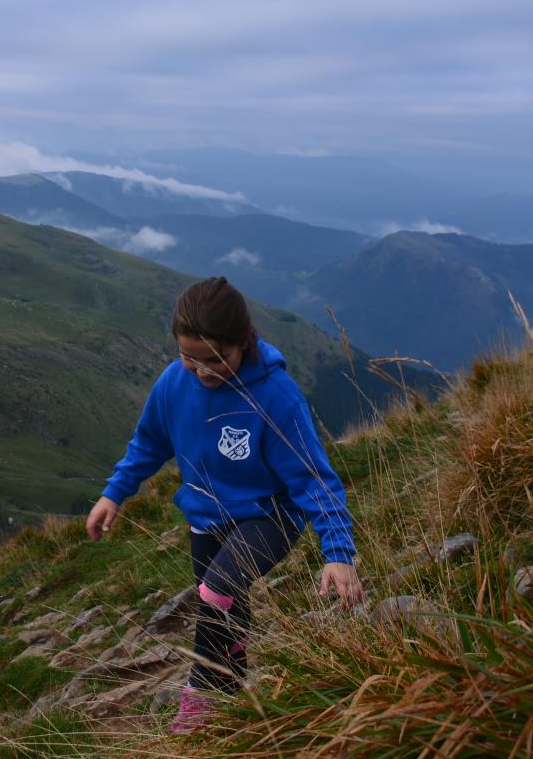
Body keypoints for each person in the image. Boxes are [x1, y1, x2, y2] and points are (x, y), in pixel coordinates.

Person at [86, 277, 363, 733]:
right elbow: (150, 443)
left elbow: (313, 478)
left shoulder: (275, 396)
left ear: (244, 341)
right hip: (205, 518)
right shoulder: (173, 383)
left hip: (270, 516)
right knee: (223, 605)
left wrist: (338, 552)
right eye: (189, 357)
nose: (203, 371)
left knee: (217, 591)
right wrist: (114, 492)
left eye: (217, 359)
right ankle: (231, 690)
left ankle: (199, 697)